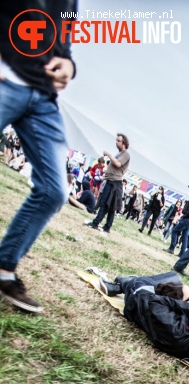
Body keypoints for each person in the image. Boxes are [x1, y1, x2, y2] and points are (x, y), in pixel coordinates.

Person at [0, 2, 77, 313]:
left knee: (54, 191)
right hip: (7, 77)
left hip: (42, 96)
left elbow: (65, 38)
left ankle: (4, 270)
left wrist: (69, 64)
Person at [84, 134, 130, 236]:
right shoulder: (120, 153)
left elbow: (118, 164)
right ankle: (104, 226)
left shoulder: (126, 154)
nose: (116, 143)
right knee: (107, 205)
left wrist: (109, 155)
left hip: (115, 183)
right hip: (111, 181)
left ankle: (99, 224)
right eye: (116, 140)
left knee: (108, 205)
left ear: (124, 143)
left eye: (118, 141)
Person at [166, 185, 189, 255]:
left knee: (174, 231)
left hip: (187, 219)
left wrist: (184, 215)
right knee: (185, 236)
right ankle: (182, 253)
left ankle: (172, 248)